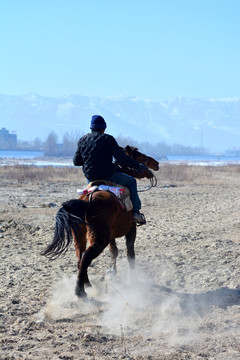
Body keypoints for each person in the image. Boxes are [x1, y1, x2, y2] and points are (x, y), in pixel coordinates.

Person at [73, 115, 147, 224]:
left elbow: (76, 162)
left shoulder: (82, 140)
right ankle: (136, 212)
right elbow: (121, 159)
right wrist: (138, 166)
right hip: (109, 175)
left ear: (91, 128)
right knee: (132, 181)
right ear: (104, 128)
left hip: (90, 178)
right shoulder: (108, 139)